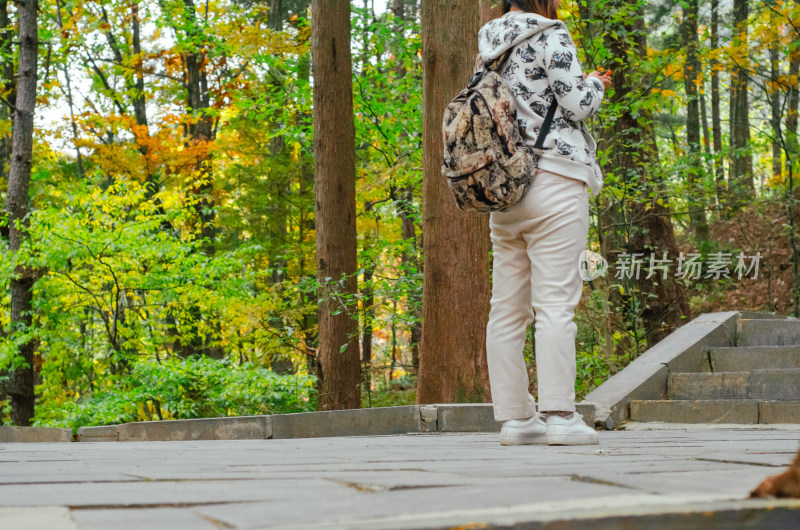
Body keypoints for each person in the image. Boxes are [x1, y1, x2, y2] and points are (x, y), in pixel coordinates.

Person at [479, 0, 612, 446]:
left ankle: (516, 420)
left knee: (507, 309)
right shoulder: (550, 34)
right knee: (555, 304)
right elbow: (576, 105)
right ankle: (560, 415)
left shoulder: (489, 46)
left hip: (507, 188)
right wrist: (594, 82)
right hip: (555, 178)